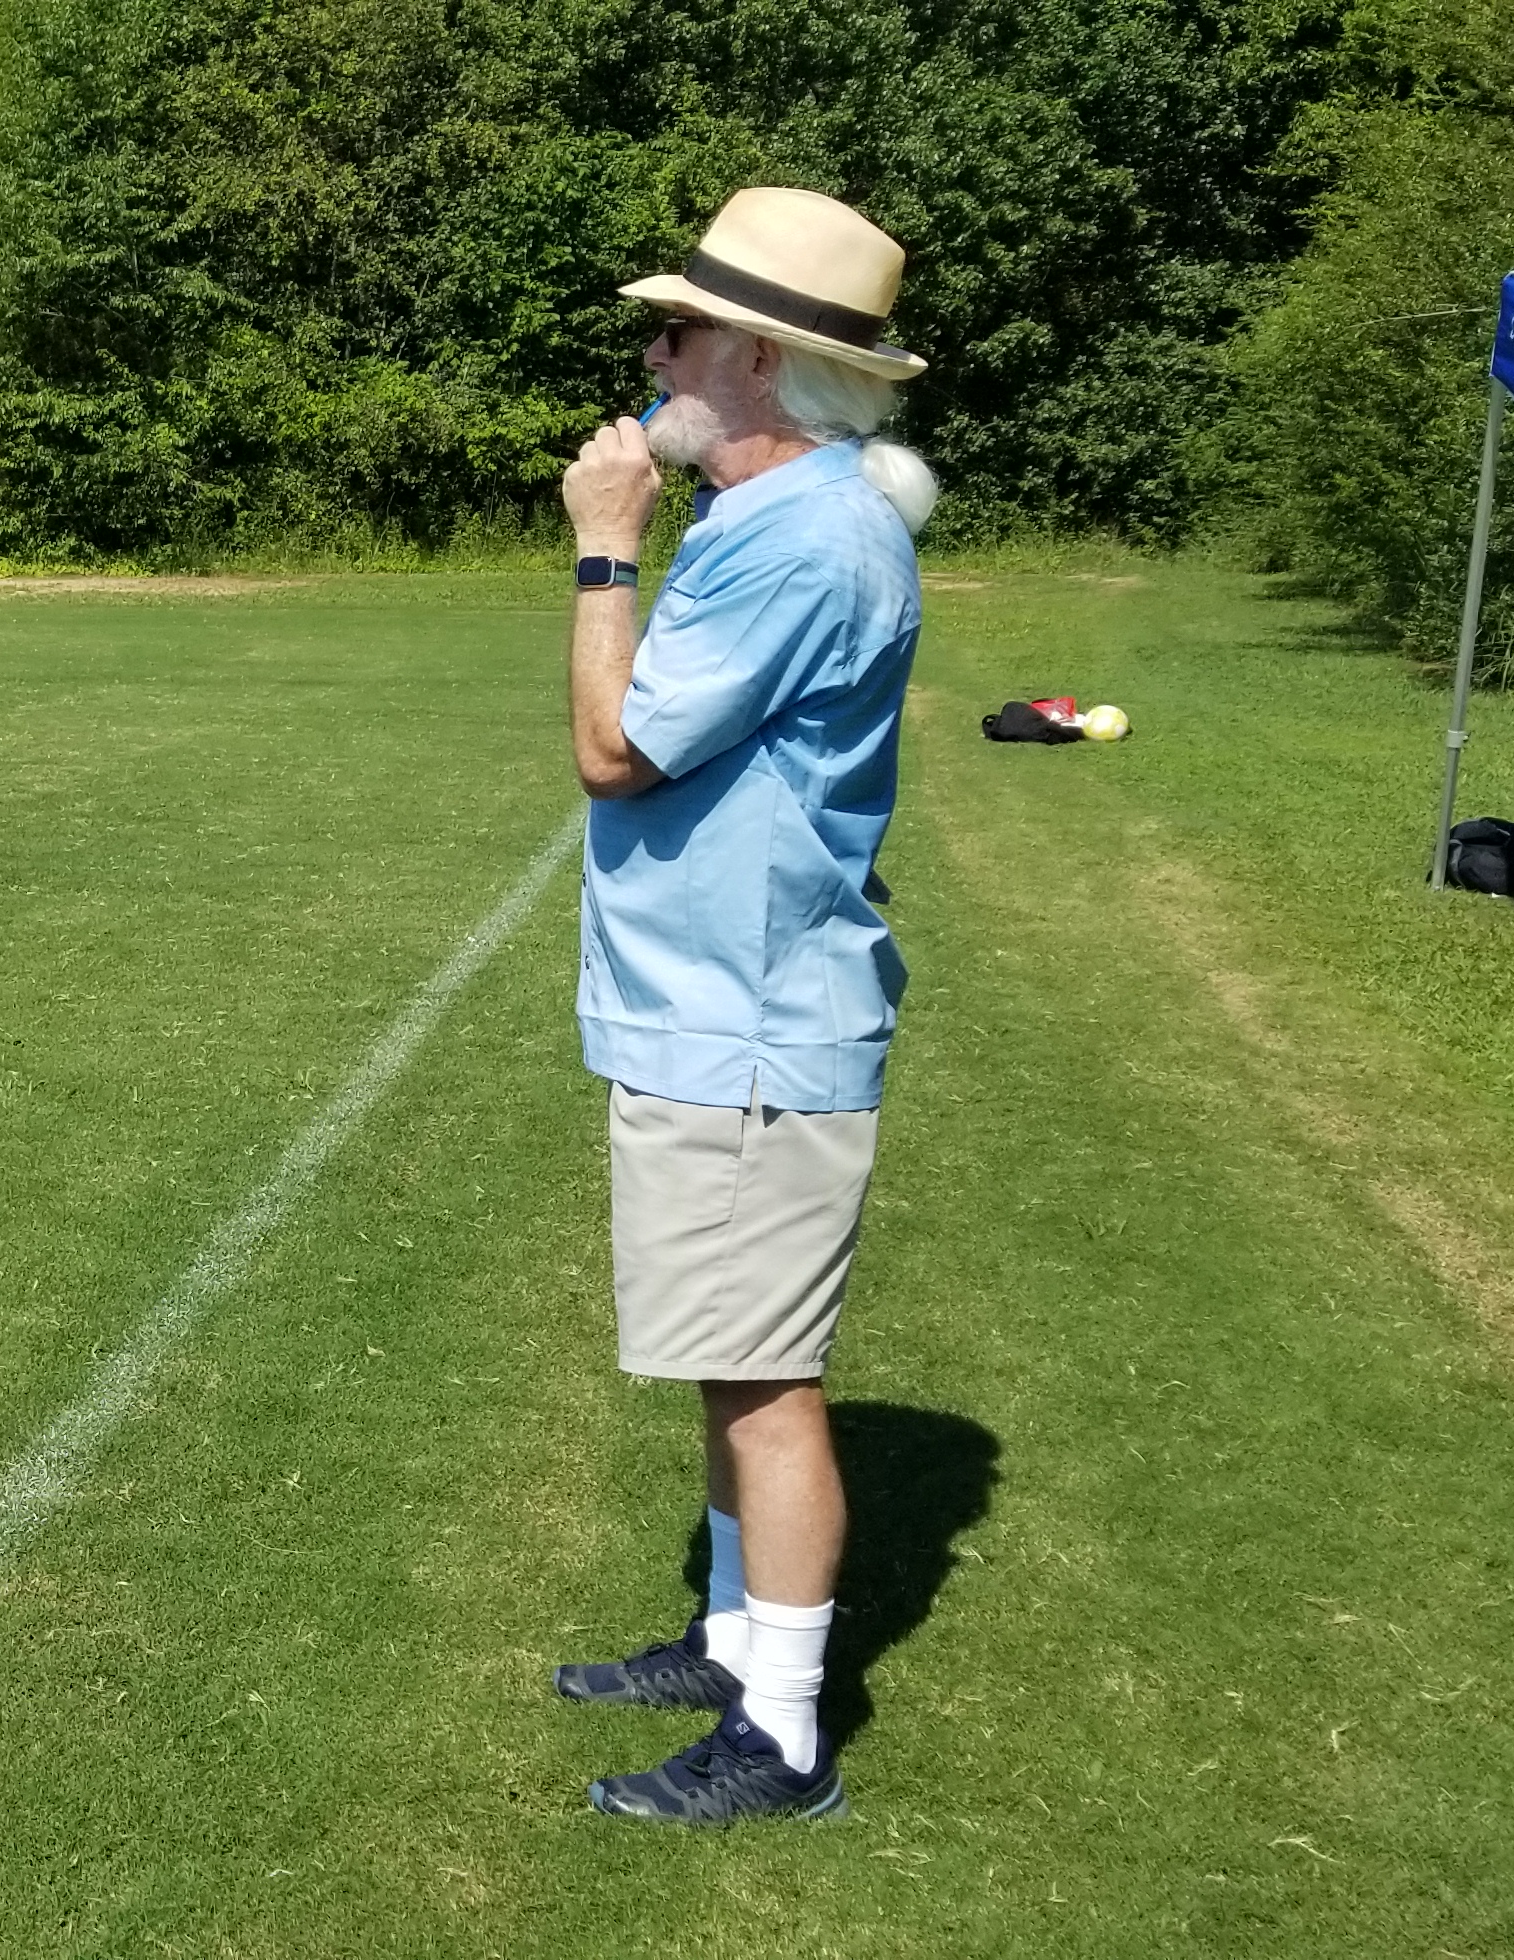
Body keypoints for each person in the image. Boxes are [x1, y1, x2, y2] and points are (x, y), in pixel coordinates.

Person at [543, 185, 939, 1825]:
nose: (654, 354)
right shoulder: (779, 520)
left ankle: (780, 1737)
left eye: (680, 331)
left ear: (762, 363)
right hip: (715, 1011)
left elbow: (614, 746)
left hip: (753, 1026)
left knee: (765, 1384)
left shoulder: (803, 540)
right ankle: (729, 1645)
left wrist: (603, 547)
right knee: (730, 1360)